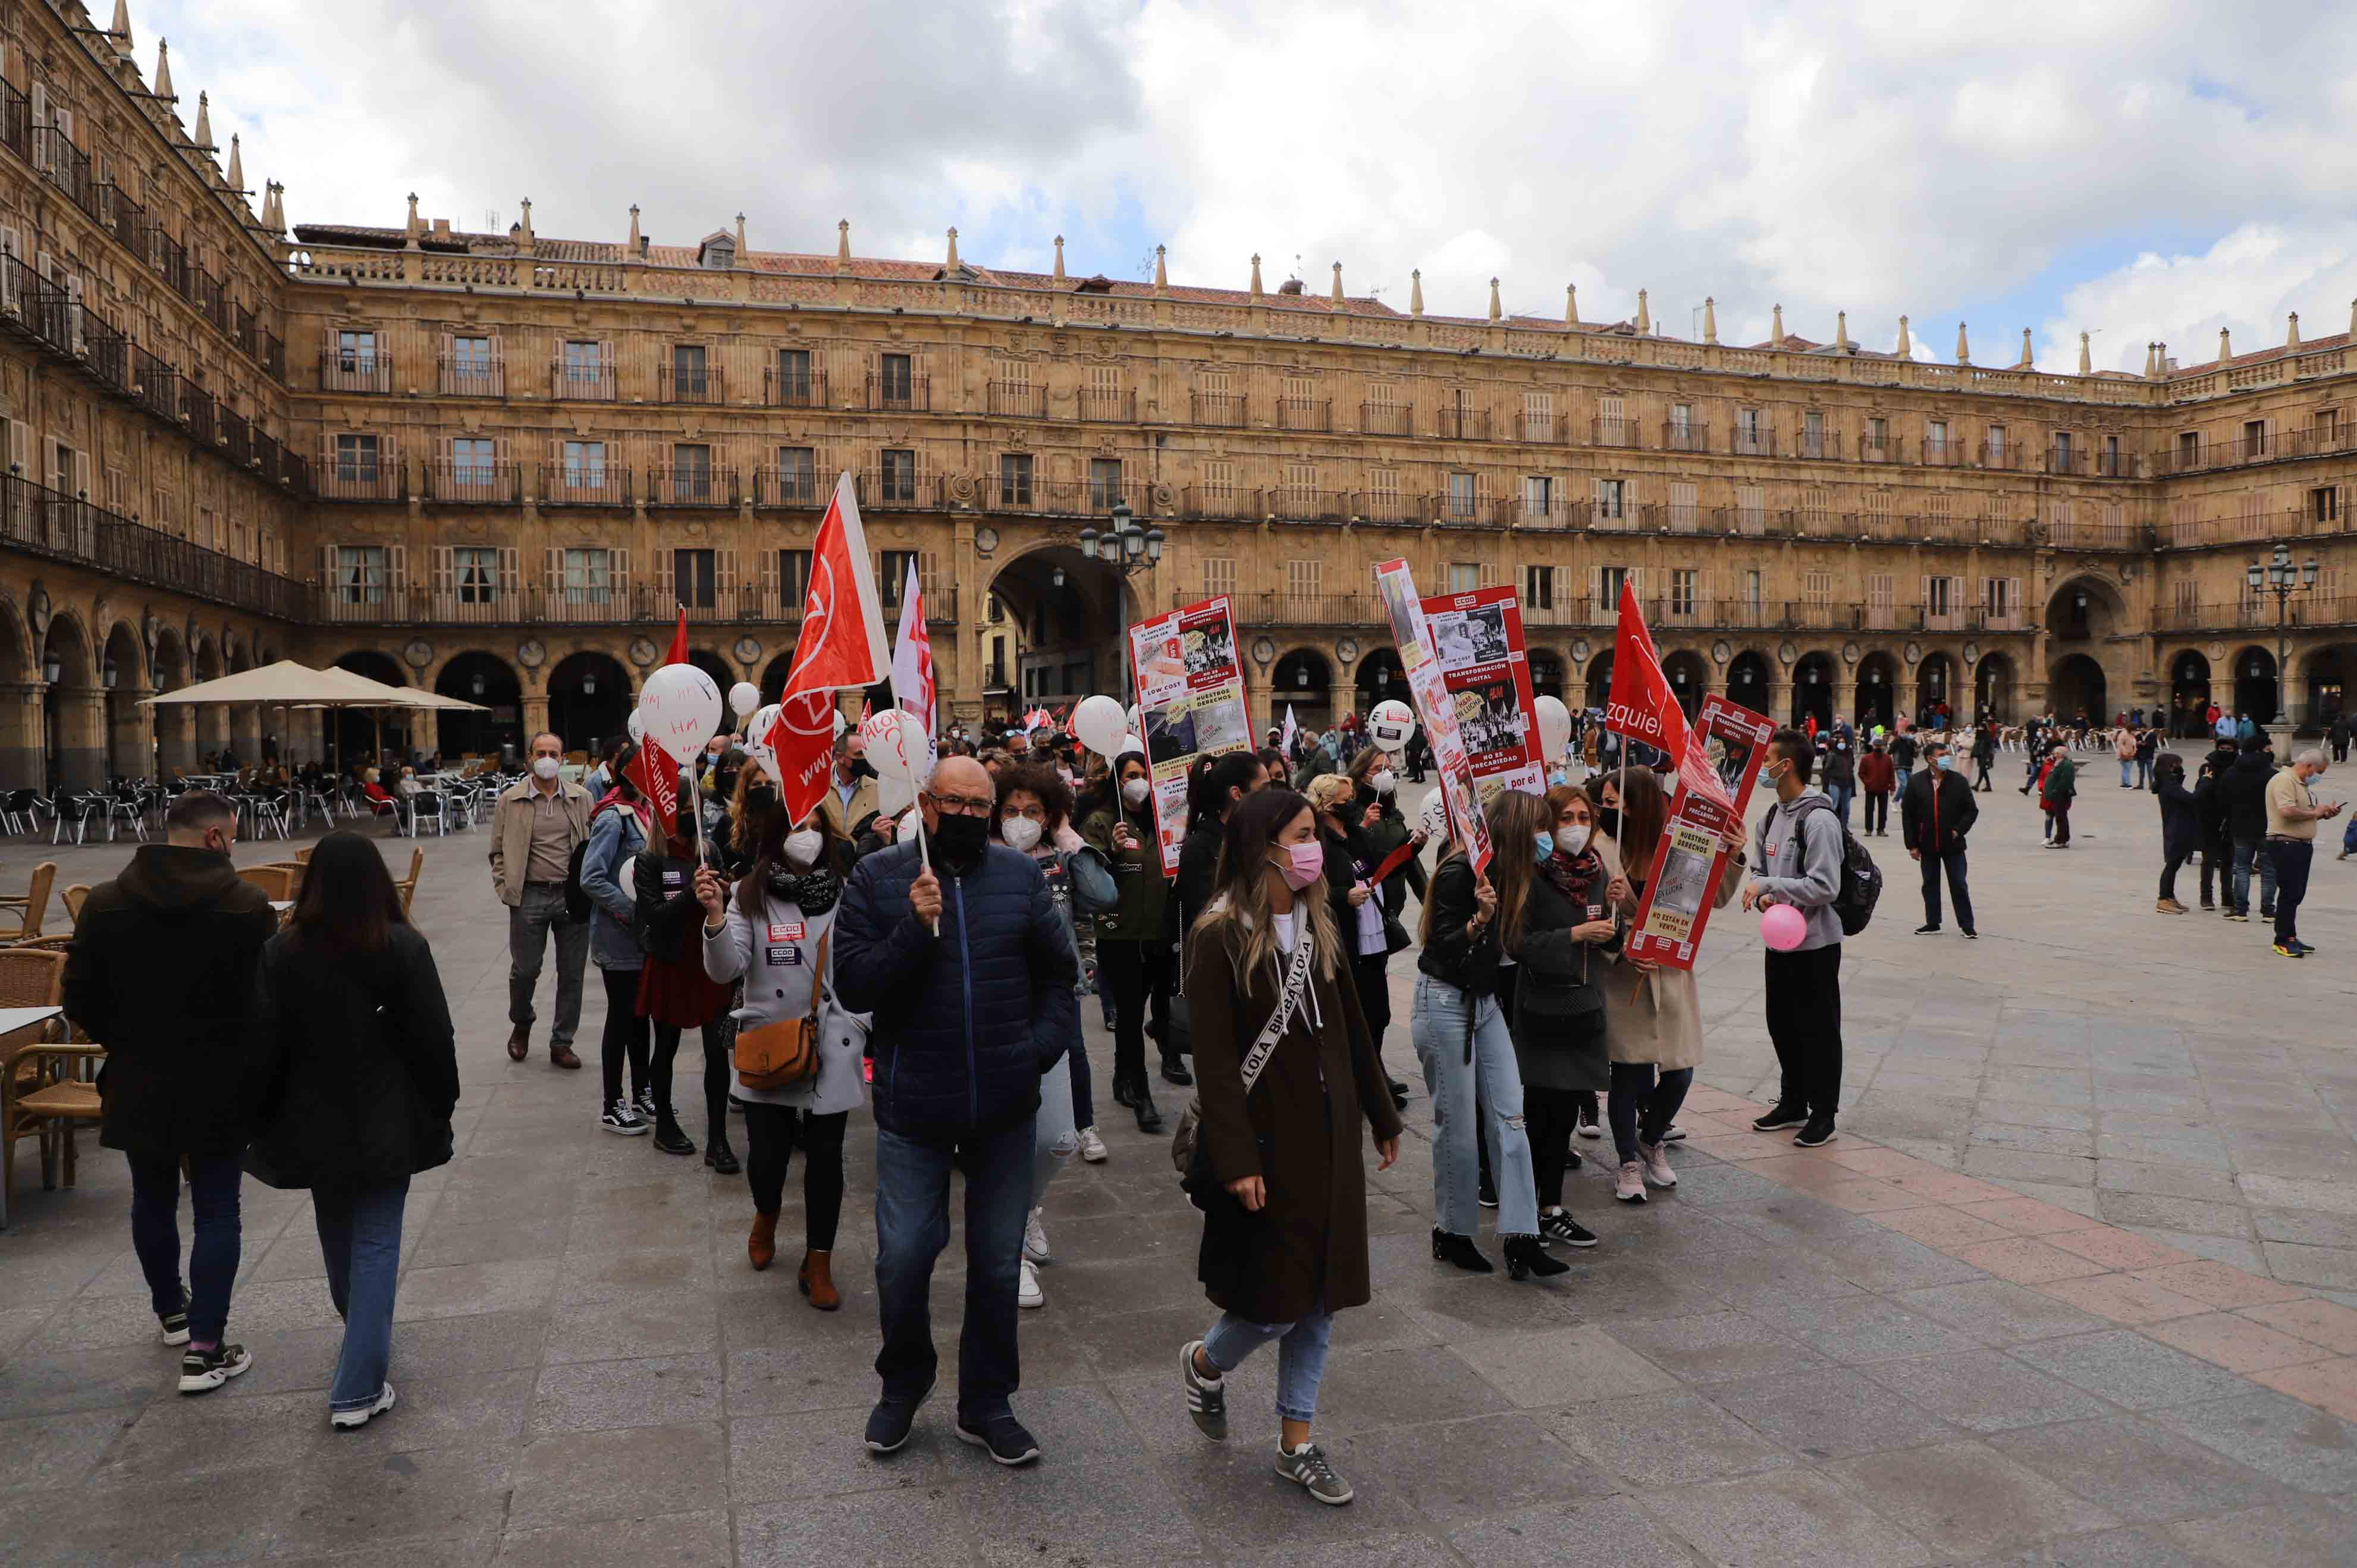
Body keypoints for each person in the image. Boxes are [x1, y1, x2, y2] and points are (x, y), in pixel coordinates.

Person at [834, 754, 1077, 1466]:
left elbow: (1060, 976)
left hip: (1004, 1105)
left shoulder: (1020, 876)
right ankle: (902, 1387)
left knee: (998, 1265)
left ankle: (988, 1402)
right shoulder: (880, 878)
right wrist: (913, 925)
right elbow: (854, 982)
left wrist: (1034, 1050)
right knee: (905, 1257)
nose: (971, 816)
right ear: (928, 805)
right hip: (915, 1105)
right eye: (957, 804)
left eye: (983, 805)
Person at [1178, 788, 1405, 1507]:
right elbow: (1214, 1062)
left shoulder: (1316, 920)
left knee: (1322, 1298)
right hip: (1267, 1142)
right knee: (1275, 1301)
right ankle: (1207, 1362)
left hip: (1328, 1135)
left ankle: (1296, 1442)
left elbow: (1351, 1025)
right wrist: (1238, 1158)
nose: (1315, 849)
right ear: (1263, 845)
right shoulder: (1219, 934)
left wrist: (1380, 1110)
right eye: (1303, 835)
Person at [63, 790, 278, 1394]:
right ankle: (206, 1349)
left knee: (151, 1199)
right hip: (220, 1079)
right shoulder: (245, 903)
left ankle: (172, 1314)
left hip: (139, 1076)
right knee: (217, 1208)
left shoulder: (105, 903)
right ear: (215, 838)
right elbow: (267, 1003)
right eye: (233, 835)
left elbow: (78, 998)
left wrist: (128, 1044)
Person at [245, 831, 456, 1429]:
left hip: (314, 1118)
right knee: (375, 1243)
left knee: (340, 1238)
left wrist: (263, 1114)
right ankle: (357, 1387)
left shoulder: (282, 953)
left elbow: (265, 1044)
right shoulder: (402, 947)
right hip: (385, 1113)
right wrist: (442, 1100)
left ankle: (360, 1347)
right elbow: (433, 1038)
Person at [701, 799, 865, 1305]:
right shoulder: (750, 893)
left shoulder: (847, 891)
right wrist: (714, 919)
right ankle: (766, 1213)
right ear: (777, 832)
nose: (809, 834)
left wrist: (862, 1021)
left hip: (831, 1039)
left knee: (825, 1160)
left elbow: (862, 963)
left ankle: (819, 1260)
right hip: (770, 1040)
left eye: (817, 825)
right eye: (798, 825)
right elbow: (728, 969)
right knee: (767, 1159)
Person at [1412, 788, 1568, 1265]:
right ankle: (1451, 1231)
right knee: (1457, 1126)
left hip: (1485, 1004)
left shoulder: (1516, 874)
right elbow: (1439, 946)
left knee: (1510, 1117)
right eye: (1539, 828)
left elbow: (1527, 940)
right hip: (1444, 1002)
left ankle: (1521, 1236)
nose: (1547, 838)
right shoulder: (1462, 871)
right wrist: (1478, 921)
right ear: (1517, 830)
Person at [1599, 769, 1742, 1202]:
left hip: (1671, 972)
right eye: (1604, 803)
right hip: (1624, 979)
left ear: (1638, 805)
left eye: (1614, 803)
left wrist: (1731, 855)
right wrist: (1618, 936)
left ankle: (1651, 1135)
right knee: (1626, 1072)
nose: (1607, 811)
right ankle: (1627, 1160)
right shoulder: (1600, 851)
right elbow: (1585, 912)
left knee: (1679, 1072)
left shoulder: (1679, 847)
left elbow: (1714, 898)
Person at [993, 763, 1096, 1304]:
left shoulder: (1059, 860)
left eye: (1033, 811)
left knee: (1058, 1140)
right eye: (1010, 811)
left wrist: (1067, 838)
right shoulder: (980, 863)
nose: (1021, 821)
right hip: (996, 1018)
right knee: (1005, 1145)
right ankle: (1010, 1255)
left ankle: (1029, 1209)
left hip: (1049, 1013)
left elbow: (1104, 895)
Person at [1745, 728, 1846, 1147]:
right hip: (1779, 941)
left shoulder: (1819, 819)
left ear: (1785, 765)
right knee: (1781, 1023)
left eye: (1767, 758)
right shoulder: (1769, 817)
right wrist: (1765, 894)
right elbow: (1756, 872)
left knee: (1818, 1029)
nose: (1762, 766)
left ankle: (1823, 1113)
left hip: (1816, 944)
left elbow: (1826, 886)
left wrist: (1772, 884)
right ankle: (1793, 1101)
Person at [633, 781, 738, 1165]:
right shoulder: (649, 858)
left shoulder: (708, 851)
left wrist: (722, 889)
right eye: (682, 805)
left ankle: (718, 1140)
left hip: (708, 960)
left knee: (716, 1051)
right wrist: (689, 895)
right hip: (670, 962)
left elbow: (724, 903)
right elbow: (654, 916)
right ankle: (664, 1125)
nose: (691, 812)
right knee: (666, 1047)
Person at [1307, 774, 1413, 1115]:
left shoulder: (1355, 833)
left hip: (1373, 933)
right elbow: (1308, 893)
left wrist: (1413, 847)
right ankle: (1357, 1082)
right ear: (1326, 805)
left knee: (1378, 1013)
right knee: (1350, 1016)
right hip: (1343, 939)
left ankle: (1373, 1073)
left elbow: (1383, 861)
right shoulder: (1317, 842)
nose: (1352, 803)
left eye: (1352, 796)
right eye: (1345, 799)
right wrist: (1342, 897)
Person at [1084, 749, 1177, 1121]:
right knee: (1128, 1014)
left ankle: (1124, 1077)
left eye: (1143, 774)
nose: (1138, 781)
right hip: (1120, 935)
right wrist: (1112, 851)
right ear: (1117, 781)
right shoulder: (1102, 822)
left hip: (1161, 932)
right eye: (1130, 775)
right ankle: (1139, 1091)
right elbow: (1088, 876)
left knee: (1162, 1009)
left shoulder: (1166, 821)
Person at [491, 732, 593, 1069]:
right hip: (529, 895)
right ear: (529, 758)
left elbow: (590, 846)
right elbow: (497, 850)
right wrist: (506, 887)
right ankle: (522, 1023)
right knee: (525, 970)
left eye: (553, 753)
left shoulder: (581, 797)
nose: (547, 758)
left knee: (572, 973)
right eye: (541, 752)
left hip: (571, 895)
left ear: (563, 760)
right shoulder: (511, 799)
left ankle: (562, 1042)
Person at [580, 744, 652, 1133]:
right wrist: (629, 909)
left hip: (644, 938)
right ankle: (612, 1103)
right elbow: (591, 878)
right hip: (618, 937)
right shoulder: (613, 818)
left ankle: (643, 1090)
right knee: (621, 1018)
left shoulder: (646, 813)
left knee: (642, 1017)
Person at [2264, 749, 2340, 957]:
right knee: (2290, 893)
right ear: (2309, 766)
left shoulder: (2301, 784)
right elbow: (2286, 811)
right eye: (2319, 772)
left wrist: (2323, 814)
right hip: (2286, 843)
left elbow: (2305, 815)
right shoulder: (2284, 780)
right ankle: (2282, 940)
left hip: (2300, 844)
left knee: (2296, 893)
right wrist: (2315, 812)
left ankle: (2291, 935)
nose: (2319, 777)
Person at [1901, 740, 1978, 938]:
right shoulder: (1916, 782)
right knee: (1930, 884)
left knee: (1959, 883)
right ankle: (1933, 923)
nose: (1946, 758)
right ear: (1930, 759)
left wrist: (1958, 830)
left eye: (1946, 754)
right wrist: (1912, 845)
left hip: (1953, 844)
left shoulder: (1958, 781)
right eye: (1942, 754)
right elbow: (1908, 815)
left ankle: (1967, 925)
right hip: (1927, 844)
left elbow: (1971, 810)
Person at [2218, 735, 2278, 923]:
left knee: (2242, 868)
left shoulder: (2231, 772)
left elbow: (2222, 800)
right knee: (2268, 869)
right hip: (2267, 827)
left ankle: (2241, 909)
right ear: (2260, 750)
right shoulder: (2273, 775)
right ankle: (2268, 911)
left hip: (2240, 827)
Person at [2154, 751, 2201, 915]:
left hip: (2177, 826)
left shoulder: (2169, 783)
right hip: (2176, 828)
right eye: (2177, 766)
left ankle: (2170, 896)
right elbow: (2191, 799)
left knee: (2175, 864)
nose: (2180, 769)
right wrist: (2205, 782)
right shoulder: (2169, 785)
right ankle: (2163, 899)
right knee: (2172, 864)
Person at [815, 731, 880, 841]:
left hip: (862, 856)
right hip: (828, 856)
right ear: (840, 757)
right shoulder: (816, 787)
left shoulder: (877, 789)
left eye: (866, 753)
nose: (864, 759)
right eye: (859, 754)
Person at [2039, 741, 2077, 848]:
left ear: (2061, 754)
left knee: (2061, 818)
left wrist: (2055, 791)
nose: (2054, 755)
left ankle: (2060, 841)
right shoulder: (2059, 763)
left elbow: (2065, 781)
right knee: (2061, 818)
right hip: (2056, 796)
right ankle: (2063, 839)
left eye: (2056, 753)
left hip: (2061, 796)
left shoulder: (2066, 765)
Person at [1857, 737, 1896, 837]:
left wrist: (1892, 787)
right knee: (1869, 810)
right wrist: (1867, 782)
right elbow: (1861, 773)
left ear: (1883, 747)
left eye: (1880, 746)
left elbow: (1891, 773)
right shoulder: (1866, 758)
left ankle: (1881, 829)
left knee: (1883, 810)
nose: (1878, 748)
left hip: (1884, 788)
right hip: (1871, 788)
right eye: (1877, 746)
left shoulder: (1888, 758)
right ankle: (1869, 830)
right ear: (1873, 746)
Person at [1821, 734, 1856, 827]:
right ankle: (1832, 825)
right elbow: (1827, 769)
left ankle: (1844, 826)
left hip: (1847, 783)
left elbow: (1852, 766)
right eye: (1840, 743)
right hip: (1835, 782)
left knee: (1846, 807)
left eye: (1843, 742)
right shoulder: (1833, 754)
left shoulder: (1849, 754)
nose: (1842, 744)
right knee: (1834, 804)